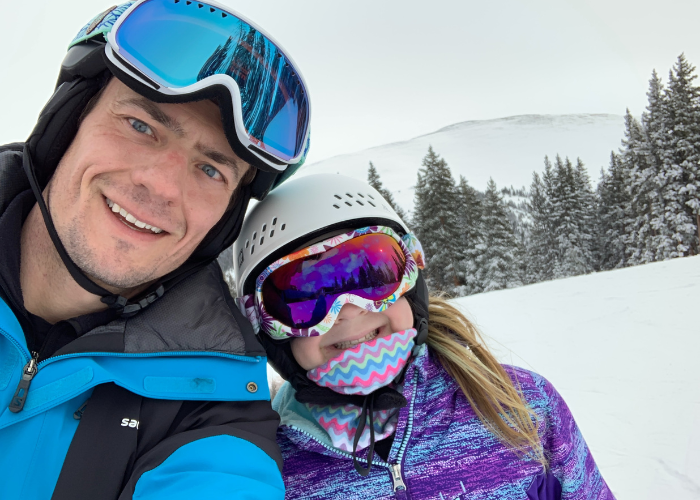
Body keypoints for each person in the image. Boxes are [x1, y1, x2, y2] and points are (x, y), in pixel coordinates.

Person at [0, 1, 310, 498]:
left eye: (211, 170)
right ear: (67, 124)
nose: (163, 188)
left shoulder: (213, 412)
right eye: (141, 126)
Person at [233, 174, 615, 499]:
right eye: (304, 297)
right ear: (268, 330)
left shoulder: (520, 404)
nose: (348, 310)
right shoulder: (266, 474)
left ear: (413, 282)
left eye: (373, 274)